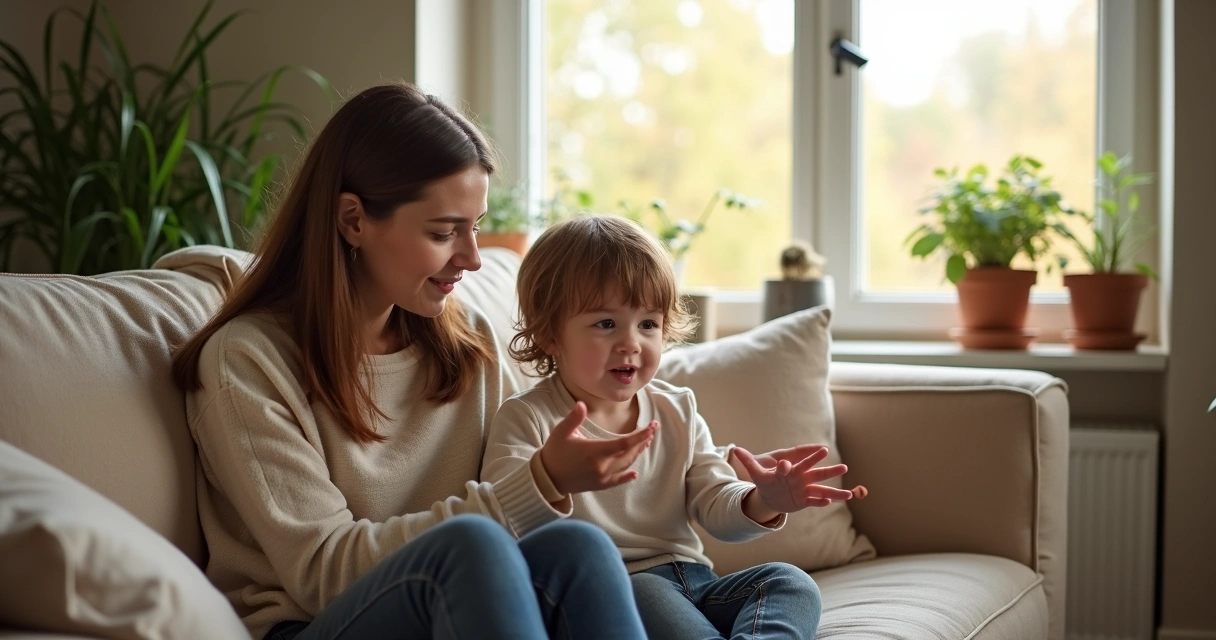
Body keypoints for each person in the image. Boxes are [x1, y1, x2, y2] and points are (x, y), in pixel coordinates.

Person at [170, 83, 652, 640]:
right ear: (353, 220)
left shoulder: (467, 341)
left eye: (475, 227)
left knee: (578, 547)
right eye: (444, 232)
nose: (472, 258)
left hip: (454, 611)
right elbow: (322, 573)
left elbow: (518, 506)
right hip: (310, 625)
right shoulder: (248, 362)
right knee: (470, 545)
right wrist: (538, 483)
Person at [481, 216, 864, 640]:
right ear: (550, 333)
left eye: (648, 324)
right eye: (606, 323)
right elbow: (502, 521)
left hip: (698, 583)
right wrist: (551, 473)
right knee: (644, 589)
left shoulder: (676, 407)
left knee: (789, 582)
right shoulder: (526, 417)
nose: (632, 342)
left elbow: (715, 502)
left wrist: (763, 500)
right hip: (619, 594)